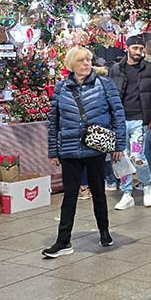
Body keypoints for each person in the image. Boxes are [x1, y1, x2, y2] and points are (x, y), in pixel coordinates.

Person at [43, 47, 127, 258]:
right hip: (69, 149)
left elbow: (118, 114)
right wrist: (53, 151)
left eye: (88, 60)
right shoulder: (61, 88)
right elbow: (53, 122)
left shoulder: (104, 84)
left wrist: (119, 144)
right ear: (71, 64)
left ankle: (104, 231)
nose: (86, 64)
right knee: (69, 196)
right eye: (81, 60)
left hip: (95, 147)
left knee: (98, 192)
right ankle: (63, 241)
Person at [107, 35, 151, 210]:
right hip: (120, 120)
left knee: (138, 156)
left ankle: (147, 184)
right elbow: (110, 93)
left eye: (141, 48)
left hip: (140, 119)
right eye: (135, 48)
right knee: (121, 158)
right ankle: (127, 192)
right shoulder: (116, 69)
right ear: (127, 48)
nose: (138, 51)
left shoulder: (150, 69)